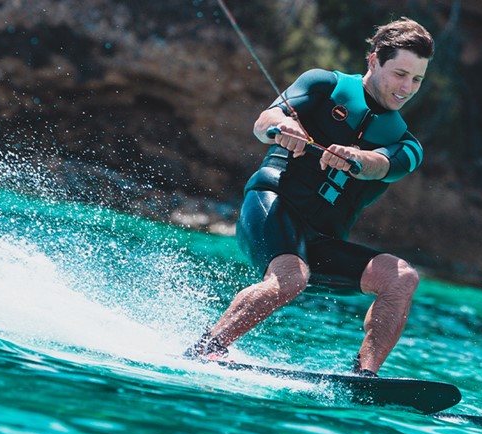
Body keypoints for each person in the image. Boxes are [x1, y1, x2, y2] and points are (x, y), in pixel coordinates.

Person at [185, 17, 434, 376]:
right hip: (272, 206)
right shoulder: (324, 84)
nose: (407, 87)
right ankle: (207, 348)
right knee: (291, 277)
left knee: (402, 278)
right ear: (374, 60)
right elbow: (264, 121)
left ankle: (363, 375)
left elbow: (383, 165)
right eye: (400, 74)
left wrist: (357, 159)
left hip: (320, 241)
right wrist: (283, 126)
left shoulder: (406, 143)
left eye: (417, 79)